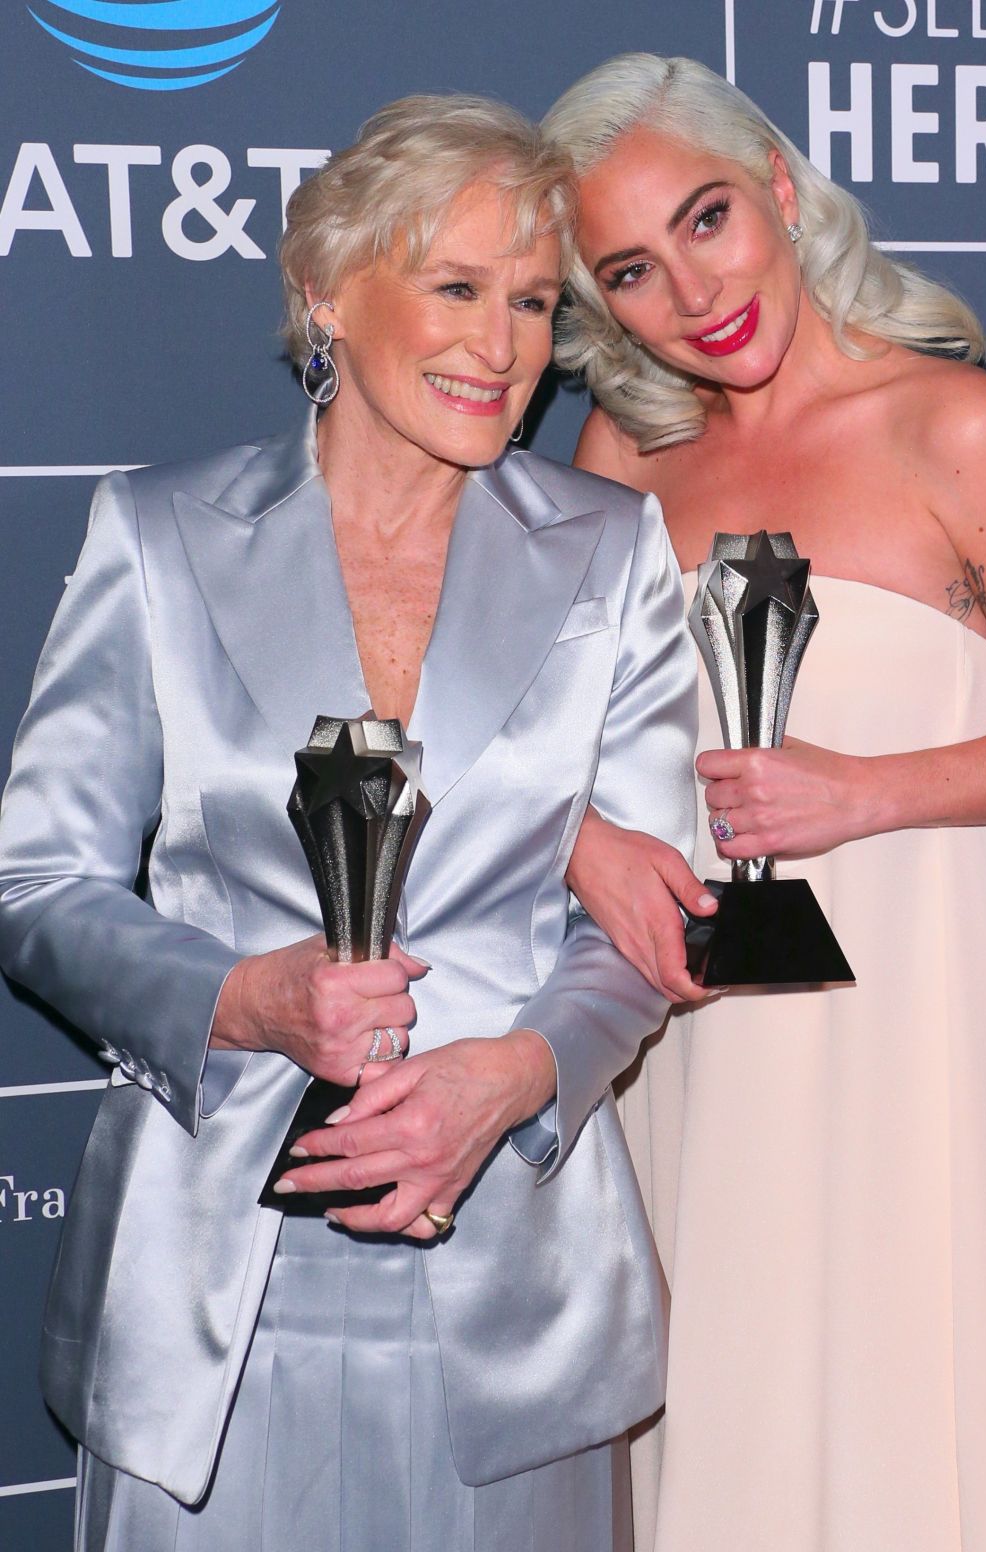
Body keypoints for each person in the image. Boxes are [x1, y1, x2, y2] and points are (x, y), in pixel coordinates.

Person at [0, 94, 697, 1552]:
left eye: (531, 302)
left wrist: (518, 1075)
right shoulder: (160, 534)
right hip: (212, 1274)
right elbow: (39, 883)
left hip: (507, 1254)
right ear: (326, 289)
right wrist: (242, 1000)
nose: (499, 348)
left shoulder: (608, 549)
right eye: (455, 288)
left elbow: (642, 911)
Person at [544, 53, 986, 1552]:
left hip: (930, 1025)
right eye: (631, 271)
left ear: (779, 189)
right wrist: (586, 847)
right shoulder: (623, 458)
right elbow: (556, 743)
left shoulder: (953, 426)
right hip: (705, 1045)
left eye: (707, 219)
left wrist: (863, 791)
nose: (691, 293)